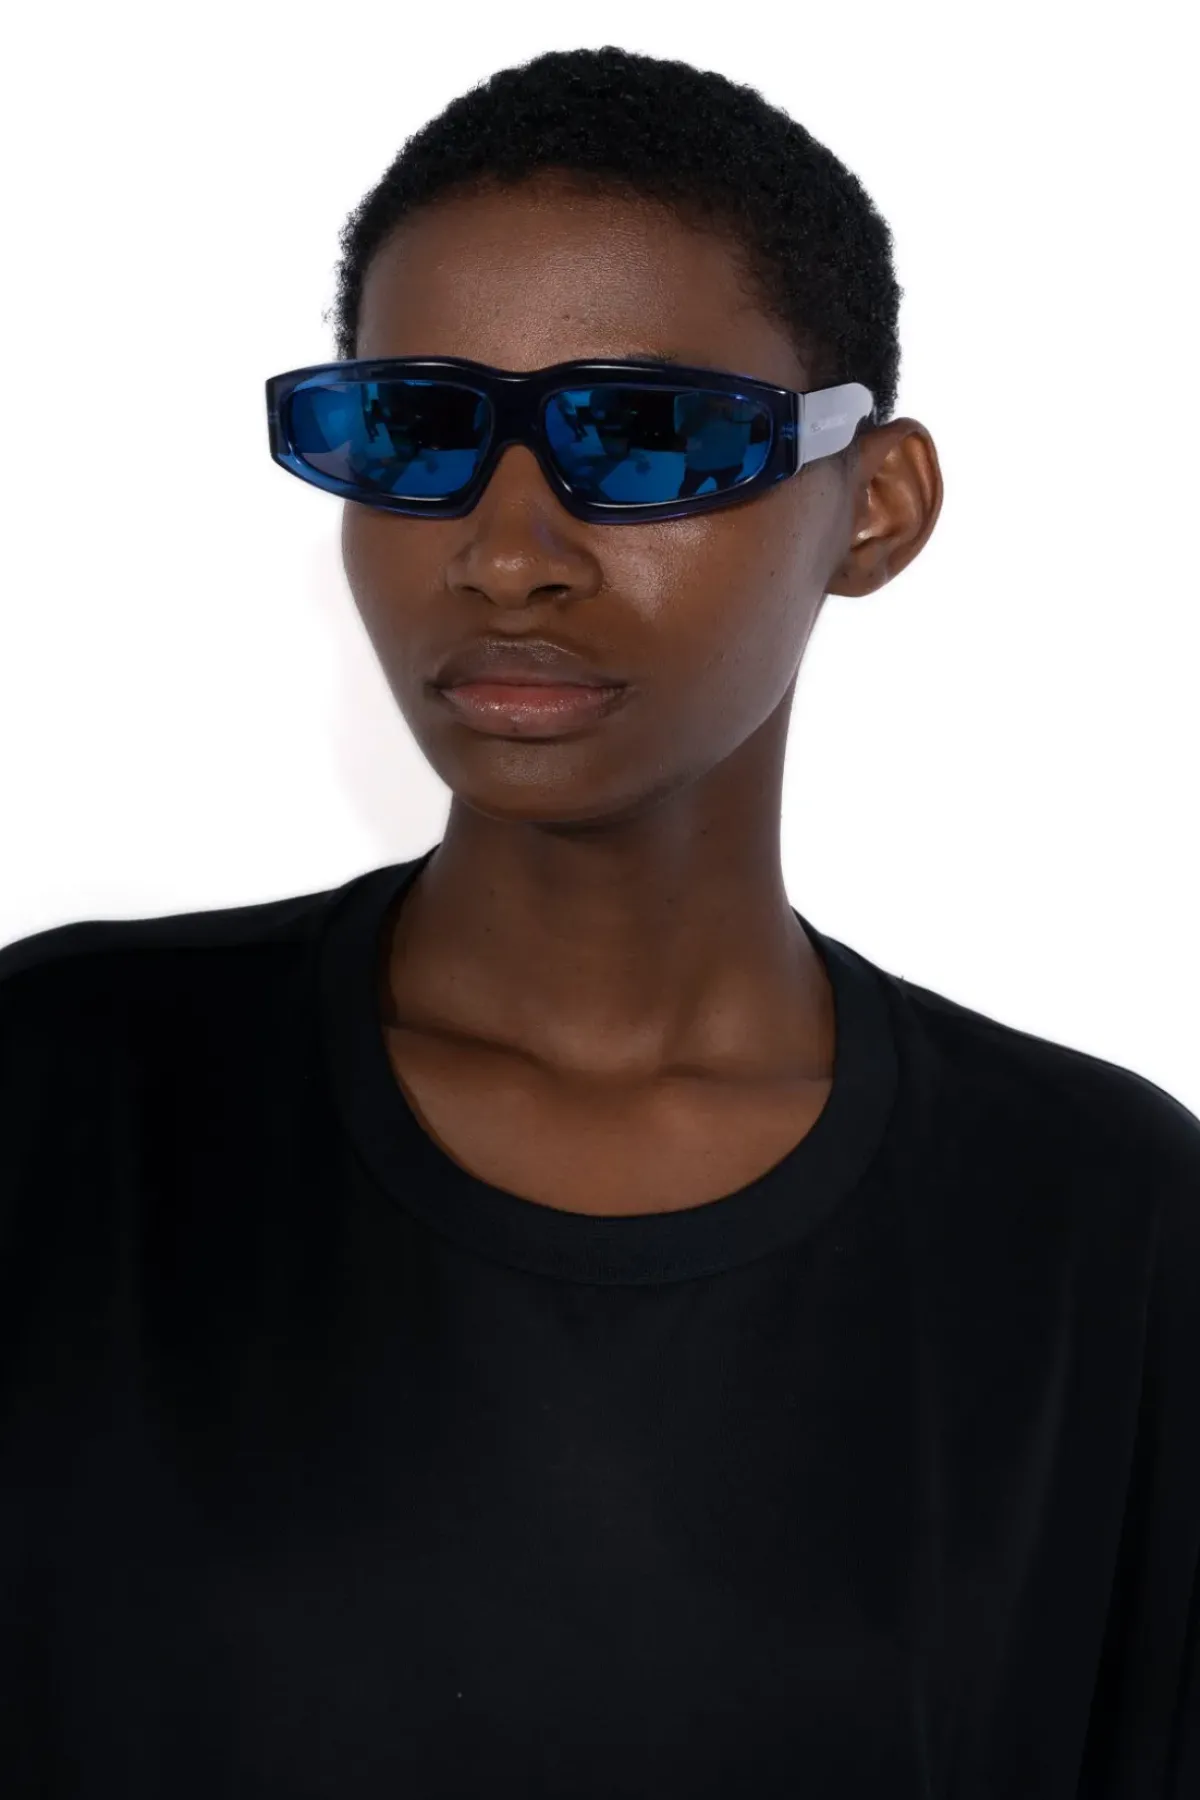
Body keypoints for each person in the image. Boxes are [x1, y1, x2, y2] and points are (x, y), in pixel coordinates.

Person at [1, 44, 1196, 1800]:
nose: (508, 553)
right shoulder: (57, 1099)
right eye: (415, 430)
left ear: (875, 504)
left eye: (641, 437)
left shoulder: (1100, 1221)